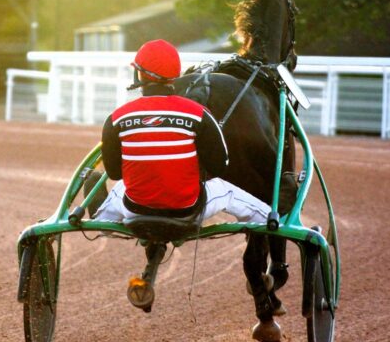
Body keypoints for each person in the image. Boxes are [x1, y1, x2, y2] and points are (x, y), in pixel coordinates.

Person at [90, 39, 271, 226]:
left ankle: (101, 221)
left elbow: (114, 173)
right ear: (175, 75)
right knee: (229, 192)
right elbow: (219, 167)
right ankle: (270, 221)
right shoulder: (200, 113)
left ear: (140, 74)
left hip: (135, 210)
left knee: (121, 188)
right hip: (189, 210)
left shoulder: (116, 118)